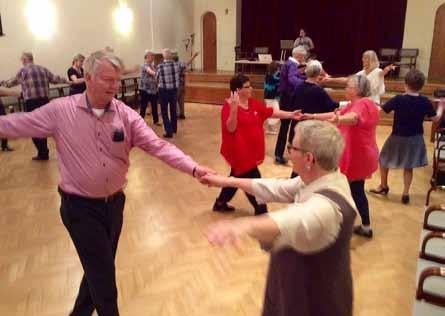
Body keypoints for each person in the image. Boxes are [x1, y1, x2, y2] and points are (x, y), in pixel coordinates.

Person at [0, 50, 214, 316]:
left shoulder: (126, 115)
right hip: (79, 209)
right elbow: (17, 123)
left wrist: (193, 168)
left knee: (97, 272)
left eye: (117, 80)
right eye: (107, 79)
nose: (114, 86)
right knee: (104, 282)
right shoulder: (60, 111)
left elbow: (158, 146)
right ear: (88, 78)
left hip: (114, 207)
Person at [204, 120, 357, 316]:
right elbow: (276, 187)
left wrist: (242, 225)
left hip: (314, 301)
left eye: (292, 147)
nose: (289, 152)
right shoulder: (319, 177)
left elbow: (293, 219)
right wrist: (226, 181)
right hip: (295, 286)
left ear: (309, 159)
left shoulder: (327, 206)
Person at [212, 74, 303, 215]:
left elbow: (270, 112)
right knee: (254, 181)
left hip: (250, 150)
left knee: (236, 177)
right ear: (237, 90)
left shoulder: (253, 103)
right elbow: (231, 128)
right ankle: (261, 211)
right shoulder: (228, 107)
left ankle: (220, 202)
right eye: (247, 87)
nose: (251, 89)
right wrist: (234, 109)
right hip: (239, 152)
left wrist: (290, 114)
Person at [305, 75, 379, 238]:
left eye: (349, 86)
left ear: (358, 89)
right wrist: (313, 116)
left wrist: (340, 119)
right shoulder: (357, 103)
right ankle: (362, 226)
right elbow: (335, 115)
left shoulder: (363, 104)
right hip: (358, 153)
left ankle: (345, 225)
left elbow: (353, 119)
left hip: (358, 155)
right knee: (354, 189)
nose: (346, 89)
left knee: (351, 190)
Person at [370, 70, 444, 204]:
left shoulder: (398, 99)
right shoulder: (425, 101)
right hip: (415, 138)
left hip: (398, 136)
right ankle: (405, 193)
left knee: (383, 160)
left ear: (405, 84)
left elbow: (381, 110)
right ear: (421, 85)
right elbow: (436, 118)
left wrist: (372, 104)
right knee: (408, 166)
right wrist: (441, 106)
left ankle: (384, 186)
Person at [0, 52, 69, 160]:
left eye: (21, 60)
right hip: (44, 101)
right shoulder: (42, 69)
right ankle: (49, 151)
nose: (21, 62)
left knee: (33, 127)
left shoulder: (23, 71)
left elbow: (11, 82)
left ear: (24, 60)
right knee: (45, 125)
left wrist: (1, 83)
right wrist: (68, 81)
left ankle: (43, 153)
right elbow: (55, 79)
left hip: (32, 102)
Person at [323, 50, 395, 104]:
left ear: (372, 60)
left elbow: (382, 73)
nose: (363, 60)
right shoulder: (361, 73)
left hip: (372, 102)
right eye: (363, 57)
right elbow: (346, 80)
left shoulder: (377, 71)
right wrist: (329, 80)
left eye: (365, 58)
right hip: (361, 101)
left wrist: (387, 69)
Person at [274, 45, 307, 165]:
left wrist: (305, 77)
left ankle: (285, 152)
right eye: (303, 56)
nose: (303, 59)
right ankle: (280, 154)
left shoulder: (289, 63)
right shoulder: (292, 64)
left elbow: (295, 77)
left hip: (287, 99)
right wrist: (305, 82)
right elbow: (293, 79)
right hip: (288, 100)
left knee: (288, 127)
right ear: (298, 55)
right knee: (287, 127)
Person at [156, 48, 179, 138]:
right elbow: (185, 66)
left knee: (164, 111)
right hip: (173, 90)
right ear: (170, 56)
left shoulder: (160, 66)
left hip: (163, 91)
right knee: (173, 109)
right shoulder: (176, 65)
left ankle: (169, 131)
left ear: (163, 56)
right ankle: (174, 128)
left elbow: (156, 77)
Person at [173, 51, 199, 119]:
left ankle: (176, 114)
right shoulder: (181, 64)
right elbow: (188, 63)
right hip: (182, 85)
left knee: (175, 100)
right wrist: (194, 56)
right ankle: (182, 114)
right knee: (181, 100)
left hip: (175, 86)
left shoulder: (172, 66)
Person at [139, 50, 160, 125]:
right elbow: (150, 72)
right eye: (152, 56)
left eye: (153, 56)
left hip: (153, 90)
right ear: (147, 57)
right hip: (144, 90)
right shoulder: (144, 65)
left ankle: (156, 121)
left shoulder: (153, 65)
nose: (153, 57)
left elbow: (155, 75)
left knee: (154, 106)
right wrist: (159, 74)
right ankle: (140, 122)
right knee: (143, 106)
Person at [263, 61, 281, 134]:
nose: (279, 70)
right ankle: (270, 128)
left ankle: (269, 128)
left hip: (271, 97)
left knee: (273, 111)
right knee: (274, 112)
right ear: (275, 69)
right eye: (278, 69)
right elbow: (277, 81)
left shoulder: (270, 76)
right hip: (270, 97)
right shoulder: (270, 77)